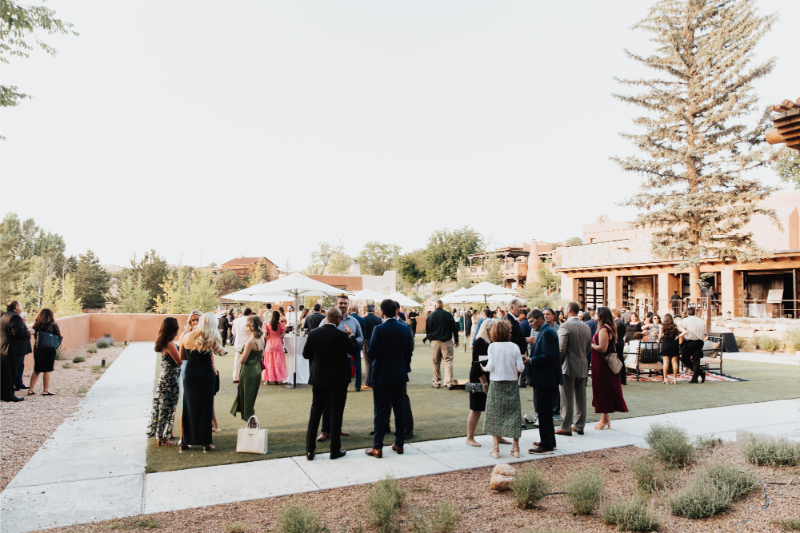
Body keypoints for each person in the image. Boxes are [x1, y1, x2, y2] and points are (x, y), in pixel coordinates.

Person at [303, 307, 360, 460]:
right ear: (337, 319)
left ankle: (309, 450)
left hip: (319, 379)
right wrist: (352, 335)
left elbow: (305, 354)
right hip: (338, 380)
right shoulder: (342, 336)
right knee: (336, 414)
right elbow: (354, 350)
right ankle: (334, 450)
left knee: (315, 413)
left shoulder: (313, 333)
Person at [364, 300, 414, 458]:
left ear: (382, 312)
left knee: (380, 410)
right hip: (399, 373)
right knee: (399, 410)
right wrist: (403, 367)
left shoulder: (379, 329)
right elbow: (409, 352)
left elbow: (371, 353)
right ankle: (399, 444)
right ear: (397, 311)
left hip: (381, 374)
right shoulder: (405, 329)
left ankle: (377, 447)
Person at [316, 294, 363, 441]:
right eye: (341, 303)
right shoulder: (325, 321)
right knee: (326, 399)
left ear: (348, 305)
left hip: (345, 361)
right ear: (336, 303)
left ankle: (337, 428)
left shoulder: (354, 321)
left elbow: (361, 338)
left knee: (340, 398)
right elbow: (318, 338)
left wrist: (351, 337)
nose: (343, 306)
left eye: (345, 303)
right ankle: (325, 430)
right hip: (328, 364)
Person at [481, 320, 527, 458]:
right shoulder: (514, 347)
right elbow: (521, 368)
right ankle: (516, 447)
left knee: (495, 415)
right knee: (514, 415)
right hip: (512, 383)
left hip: (496, 383)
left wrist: (483, 368)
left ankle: (495, 449)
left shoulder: (492, 347)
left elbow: (491, 366)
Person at [180, 312, 223, 452]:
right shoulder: (211, 337)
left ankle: (185, 442)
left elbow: (182, 356)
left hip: (190, 375)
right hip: (205, 375)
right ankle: (206, 444)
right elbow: (220, 352)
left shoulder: (186, 336)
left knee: (188, 407)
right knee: (206, 408)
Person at [527, 309, 562, 454]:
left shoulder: (547, 332)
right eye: (529, 322)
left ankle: (546, 444)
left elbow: (549, 356)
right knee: (546, 412)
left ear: (540, 319)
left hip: (545, 379)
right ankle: (549, 440)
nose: (531, 325)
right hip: (546, 379)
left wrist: (531, 360)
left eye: (532, 321)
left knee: (544, 412)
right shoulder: (545, 330)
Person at [556, 302, 591, 436]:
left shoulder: (565, 326)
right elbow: (588, 348)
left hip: (568, 366)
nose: (563, 311)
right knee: (581, 397)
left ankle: (565, 426)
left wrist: (557, 364)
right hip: (582, 364)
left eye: (564, 309)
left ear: (569, 310)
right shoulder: (586, 327)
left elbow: (561, 349)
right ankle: (580, 425)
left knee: (567, 398)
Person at [466, 318, 502, 447]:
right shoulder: (480, 342)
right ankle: (470, 437)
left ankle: (498, 436)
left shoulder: (494, 342)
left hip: (490, 377)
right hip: (479, 377)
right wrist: (484, 384)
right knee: (476, 408)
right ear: (488, 329)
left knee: (494, 408)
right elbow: (476, 365)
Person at [590, 307, 628, 429]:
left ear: (601, 315)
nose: (594, 314)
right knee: (602, 389)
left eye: (596, 313)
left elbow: (602, 348)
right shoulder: (603, 328)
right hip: (600, 362)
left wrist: (590, 345)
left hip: (603, 363)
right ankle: (605, 418)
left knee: (602, 389)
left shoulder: (604, 329)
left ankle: (604, 419)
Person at [147, 317, 182, 446]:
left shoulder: (162, 341)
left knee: (165, 406)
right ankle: (162, 437)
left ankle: (166, 432)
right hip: (170, 380)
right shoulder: (170, 343)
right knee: (167, 407)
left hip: (165, 378)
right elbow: (179, 361)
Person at [231, 315, 266, 420]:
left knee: (246, 395)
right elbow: (261, 355)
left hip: (248, 371)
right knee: (252, 395)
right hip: (257, 370)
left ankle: (249, 419)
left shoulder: (250, 342)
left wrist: (242, 351)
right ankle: (250, 417)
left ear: (250, 327)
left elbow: (242, 360)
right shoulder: (261, 340)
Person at [423, 299, 459, 389]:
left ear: (435, 306)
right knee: (448, 361)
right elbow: (454, 328)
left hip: (434, 342)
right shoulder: (448, 314)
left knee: (435, 362)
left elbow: (427, 330)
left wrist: (430, 340)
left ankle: (436, 382)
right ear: (442, 305)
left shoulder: (430, 315)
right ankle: (449, 382)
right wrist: (456, 340)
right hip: (446, 341)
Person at [1, 301, 31, 402]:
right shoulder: (15, 317)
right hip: (13, 349)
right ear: (16, 307)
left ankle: (3, 394)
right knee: (11, 372)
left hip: (4, 348)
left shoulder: (4, 315)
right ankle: (9, 395)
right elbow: (18, 333)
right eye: (21, 305)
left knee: (5, 372)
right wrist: (28, 332)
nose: (21, 307)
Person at [28, 308, 61, 396]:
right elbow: (58, 336)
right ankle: (45, 390)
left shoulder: (37, 324)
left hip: (38, 348)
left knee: (37, 369)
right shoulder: (53, 324)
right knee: (47, 369)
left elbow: (35, 336)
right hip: (49, 348)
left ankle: (31, 389)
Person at [680, 307, 707, 383]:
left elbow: (680, 329)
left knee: (684, 358)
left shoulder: (685, 321)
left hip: (690, 342)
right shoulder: (701, 321)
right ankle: (695, 378)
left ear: (687, 313)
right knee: (696, 360)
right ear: (695, 312)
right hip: (700, 342)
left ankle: (700, 372)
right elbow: (705, 332)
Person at [262, 311, 287, 384]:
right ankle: (277, 379)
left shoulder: (267, 325)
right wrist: (278, 338)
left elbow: (264, 336)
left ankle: (268, 380)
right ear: (279, 317)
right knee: (278, 362)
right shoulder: (281, 325)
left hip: (269, 344)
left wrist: (269, 339)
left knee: (269, 362)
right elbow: (282, 336)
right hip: (278, 344)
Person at [659, 314, 684, 384]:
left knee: (666, 362)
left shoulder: (662, 326)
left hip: (665, 344)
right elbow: (685, 331)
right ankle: (675, 378)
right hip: (674, 344)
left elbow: (660, 336)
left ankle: (665, 379)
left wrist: (658, 341)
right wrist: (678, 336)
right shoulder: (675, 326)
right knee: (675, 362)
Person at [362, 304, 382, 389]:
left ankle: (368, 382)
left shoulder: (364, 319)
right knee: (376, 362)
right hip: (377, 342)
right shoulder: (379, 319)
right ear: (374, 310)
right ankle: (376, 380)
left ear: (366, 310)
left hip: (367, 342)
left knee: (368, 362)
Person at [349, 303, 367, 391]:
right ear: (357, 310)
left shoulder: (346, 319)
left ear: (350, 310)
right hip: (357, 344)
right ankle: (358, 385)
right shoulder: (361, 319)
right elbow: (363, 334)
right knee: (358, 366)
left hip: (347, 345)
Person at [232, 308, 253, 380]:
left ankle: (235, 377)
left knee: (237, 361)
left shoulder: (236, 320)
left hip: (238, 342)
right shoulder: (250, 320)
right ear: (250, 313)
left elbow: (233, 332)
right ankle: (247, 377)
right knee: (249, 361)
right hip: (247, 342)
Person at [612, 309, 628, 385]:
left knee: (615, 360)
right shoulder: (622, 322)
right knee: (620, 360)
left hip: (616, 342)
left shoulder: (615, 323)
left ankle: (618, 378)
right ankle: (622, 379)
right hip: (621, 341)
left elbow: (615, 333)